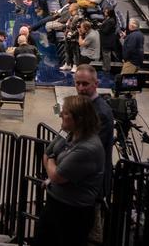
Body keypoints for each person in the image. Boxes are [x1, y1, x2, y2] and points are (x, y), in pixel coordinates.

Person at [35, 95, 105, 246]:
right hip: (55, 205)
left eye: (65, 113)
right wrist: (52, 162)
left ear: (79, 119)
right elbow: (46, 153)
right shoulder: (68, 133)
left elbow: (55, 175)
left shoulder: (88, 148)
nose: (60, 115)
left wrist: (52, 162)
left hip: (73, 214)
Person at [73, 64, 114, 188]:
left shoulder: (101, 113)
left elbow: (89, 149)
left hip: (93, 180)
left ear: (96, 84)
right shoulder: (81, 104)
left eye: (85, 84)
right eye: (77, 83)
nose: (80, 88)